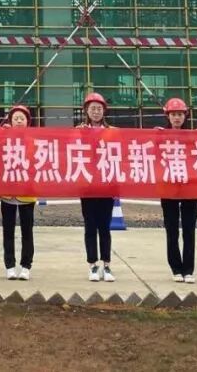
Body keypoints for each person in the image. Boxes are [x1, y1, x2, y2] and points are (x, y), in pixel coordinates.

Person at [158, 97, 197, 283]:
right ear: (168, 116)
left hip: (190, 187)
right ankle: (175, 268)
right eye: (173, 114)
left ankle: (188, 269)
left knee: (189, 230)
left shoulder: (193, 135)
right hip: (168, 188)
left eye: (180, 114)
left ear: (185, 116)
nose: (177, 118)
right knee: (172, 230)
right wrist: (155, 137)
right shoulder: (160, 136)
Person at [78, 91, 115, 283]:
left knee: (105, 227)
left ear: (104, 111)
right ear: (86, 110)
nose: (96, 112)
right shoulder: (79, 131)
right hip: (87, 186)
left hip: (107, 185)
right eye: (92, 108)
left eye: (99, 108)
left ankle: (106, 264)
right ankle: (92, 264)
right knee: (90, 226)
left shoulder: (112, 132)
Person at [0, 104, 36, 281]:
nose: (19, 121)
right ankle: (10, 266)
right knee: (8, 231)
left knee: (27, 231)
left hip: (27, 193)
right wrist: (2, 134)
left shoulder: (34, 140)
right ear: (10, 121)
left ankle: (26, 266)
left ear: (27, 122)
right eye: (16, 118)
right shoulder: (3, 137)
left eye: (22, 118)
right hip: (7, 193)